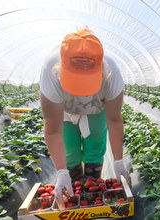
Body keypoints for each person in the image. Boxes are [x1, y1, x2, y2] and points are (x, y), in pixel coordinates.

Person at [39, 28, 131, 209]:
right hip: (63, 111)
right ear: (61, 68)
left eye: (86, 81)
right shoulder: (50, 71)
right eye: (75, 82)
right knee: (69, 149)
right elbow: (53, 130)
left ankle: (92, 184)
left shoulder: (112, 73)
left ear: (102, 69)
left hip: (96, 108)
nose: (79, 90)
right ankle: (72, 183)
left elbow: (114, 120)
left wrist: (119, 162)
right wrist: (61, 172)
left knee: (95, 146)